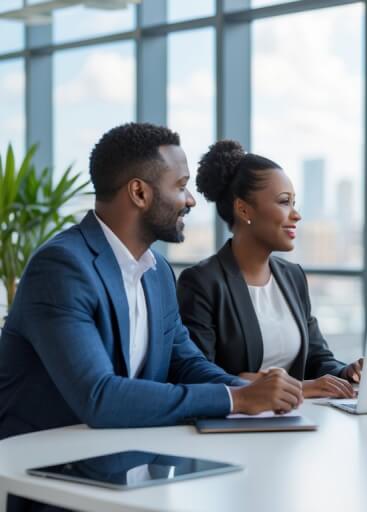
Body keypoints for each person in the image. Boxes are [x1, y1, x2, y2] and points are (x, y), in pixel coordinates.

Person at [0, 123, 303, 510]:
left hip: (131, 472)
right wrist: (236, 398)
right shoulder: (62, 267)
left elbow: (187, 362)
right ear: (139, 192)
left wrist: (262, 397)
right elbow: (100, 397)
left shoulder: (157, 271)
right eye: (180, 186)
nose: (191, 200)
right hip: (53, 481)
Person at [177, 140, 361, 398]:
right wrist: (302, 388)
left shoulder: (292, 276)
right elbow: (199, 374)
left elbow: (317, 359)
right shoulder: (202, 282)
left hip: (295, 424)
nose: (296, 215)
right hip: (233, 427)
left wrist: (346, 373)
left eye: (294, 202)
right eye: (284, 202)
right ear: (243, 209)